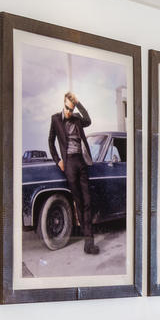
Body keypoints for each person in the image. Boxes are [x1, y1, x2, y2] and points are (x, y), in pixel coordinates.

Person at [47, 91, 99, 254]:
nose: (69, 111)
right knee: (79, 201)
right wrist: (58, 160)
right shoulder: (55, 119)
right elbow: (50, 141)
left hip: (81, 161)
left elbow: (88, 120)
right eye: (67, 108)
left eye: (71, 108)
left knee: (88, 200)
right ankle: (86, 237)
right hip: (69, 163)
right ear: (63, 103)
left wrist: (78, 103)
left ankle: (89, 242)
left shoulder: (77, 118)